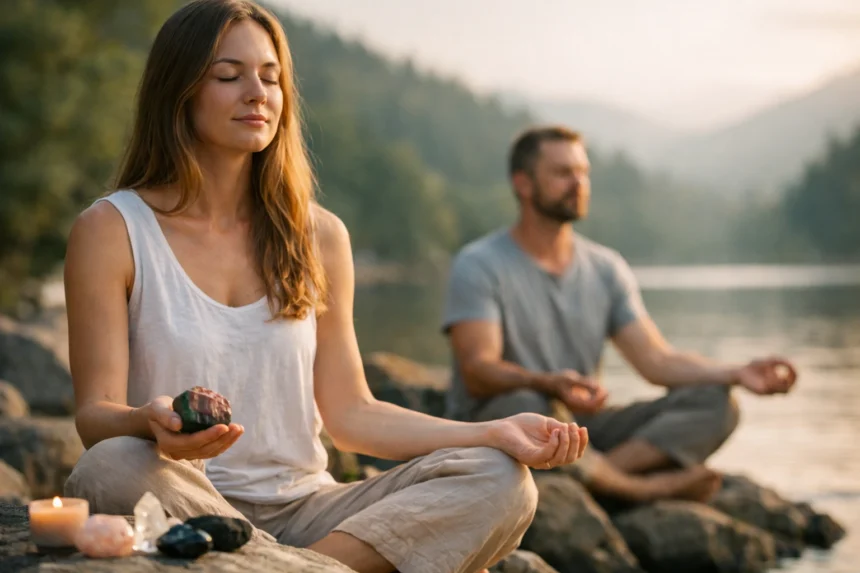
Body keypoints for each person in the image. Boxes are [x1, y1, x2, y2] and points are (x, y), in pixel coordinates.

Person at [61, 4, 590, 573]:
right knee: (109, 467)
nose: (256, 92)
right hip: (182, 497)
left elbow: (352, 413)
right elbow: (95, 415)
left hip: (311, 510)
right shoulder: (112, 230)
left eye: (270, 76)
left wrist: (493, 432)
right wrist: (148, 421)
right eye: (228, 75)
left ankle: (273, 566)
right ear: (179, 91)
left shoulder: (319, 235)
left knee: (502, 479)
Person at [441, 125, 798, 505]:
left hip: (580, 430)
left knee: (716, 404)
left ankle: (594, 478)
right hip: (508, 422)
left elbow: (656, 361)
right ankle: (639, 488)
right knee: (523, 406)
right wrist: (549, 383)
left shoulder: (606, 267)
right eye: (563, 173)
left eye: (583, 172)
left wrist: (736, 373)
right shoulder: (479, 264)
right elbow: (478, 373)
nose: (578, 183)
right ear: (523, 184)